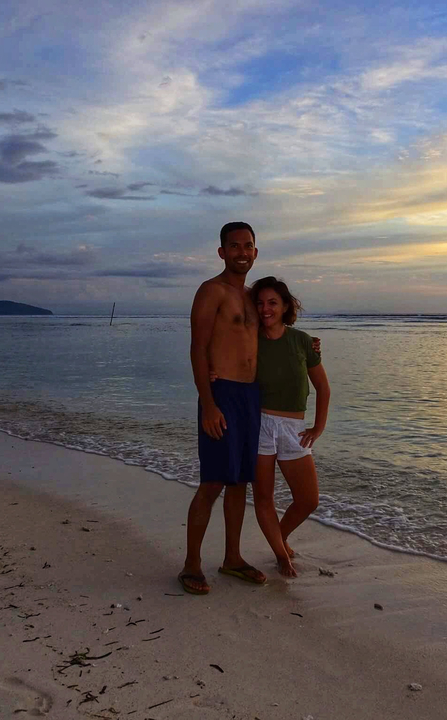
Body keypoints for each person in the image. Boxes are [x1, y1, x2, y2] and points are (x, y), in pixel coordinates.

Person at [178, 221, 268, 595]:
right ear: (221, 252)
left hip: (250, 396)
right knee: (213, 481)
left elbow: (273, 337)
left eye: (248, 246)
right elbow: (198, 348)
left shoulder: (252, 296)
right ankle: (191, 565)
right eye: (234, 246)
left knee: (239, 483)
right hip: (222, 395)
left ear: (255, 252)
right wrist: (209, 405)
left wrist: (309, 348)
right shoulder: (211, 291)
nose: (242, 252)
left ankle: (232, 558)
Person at [250, 277, 330, 577]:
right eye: (259, 303)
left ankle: (279, 537)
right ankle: (281, 555)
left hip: (293, 427)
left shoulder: (303, 341)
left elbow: (323, 387)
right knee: (264, 498)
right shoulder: (249, 338)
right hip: (259, 424)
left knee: (308, 499)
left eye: (272, 302)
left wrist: (318, 428)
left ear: (285, 306)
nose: (265, 308)